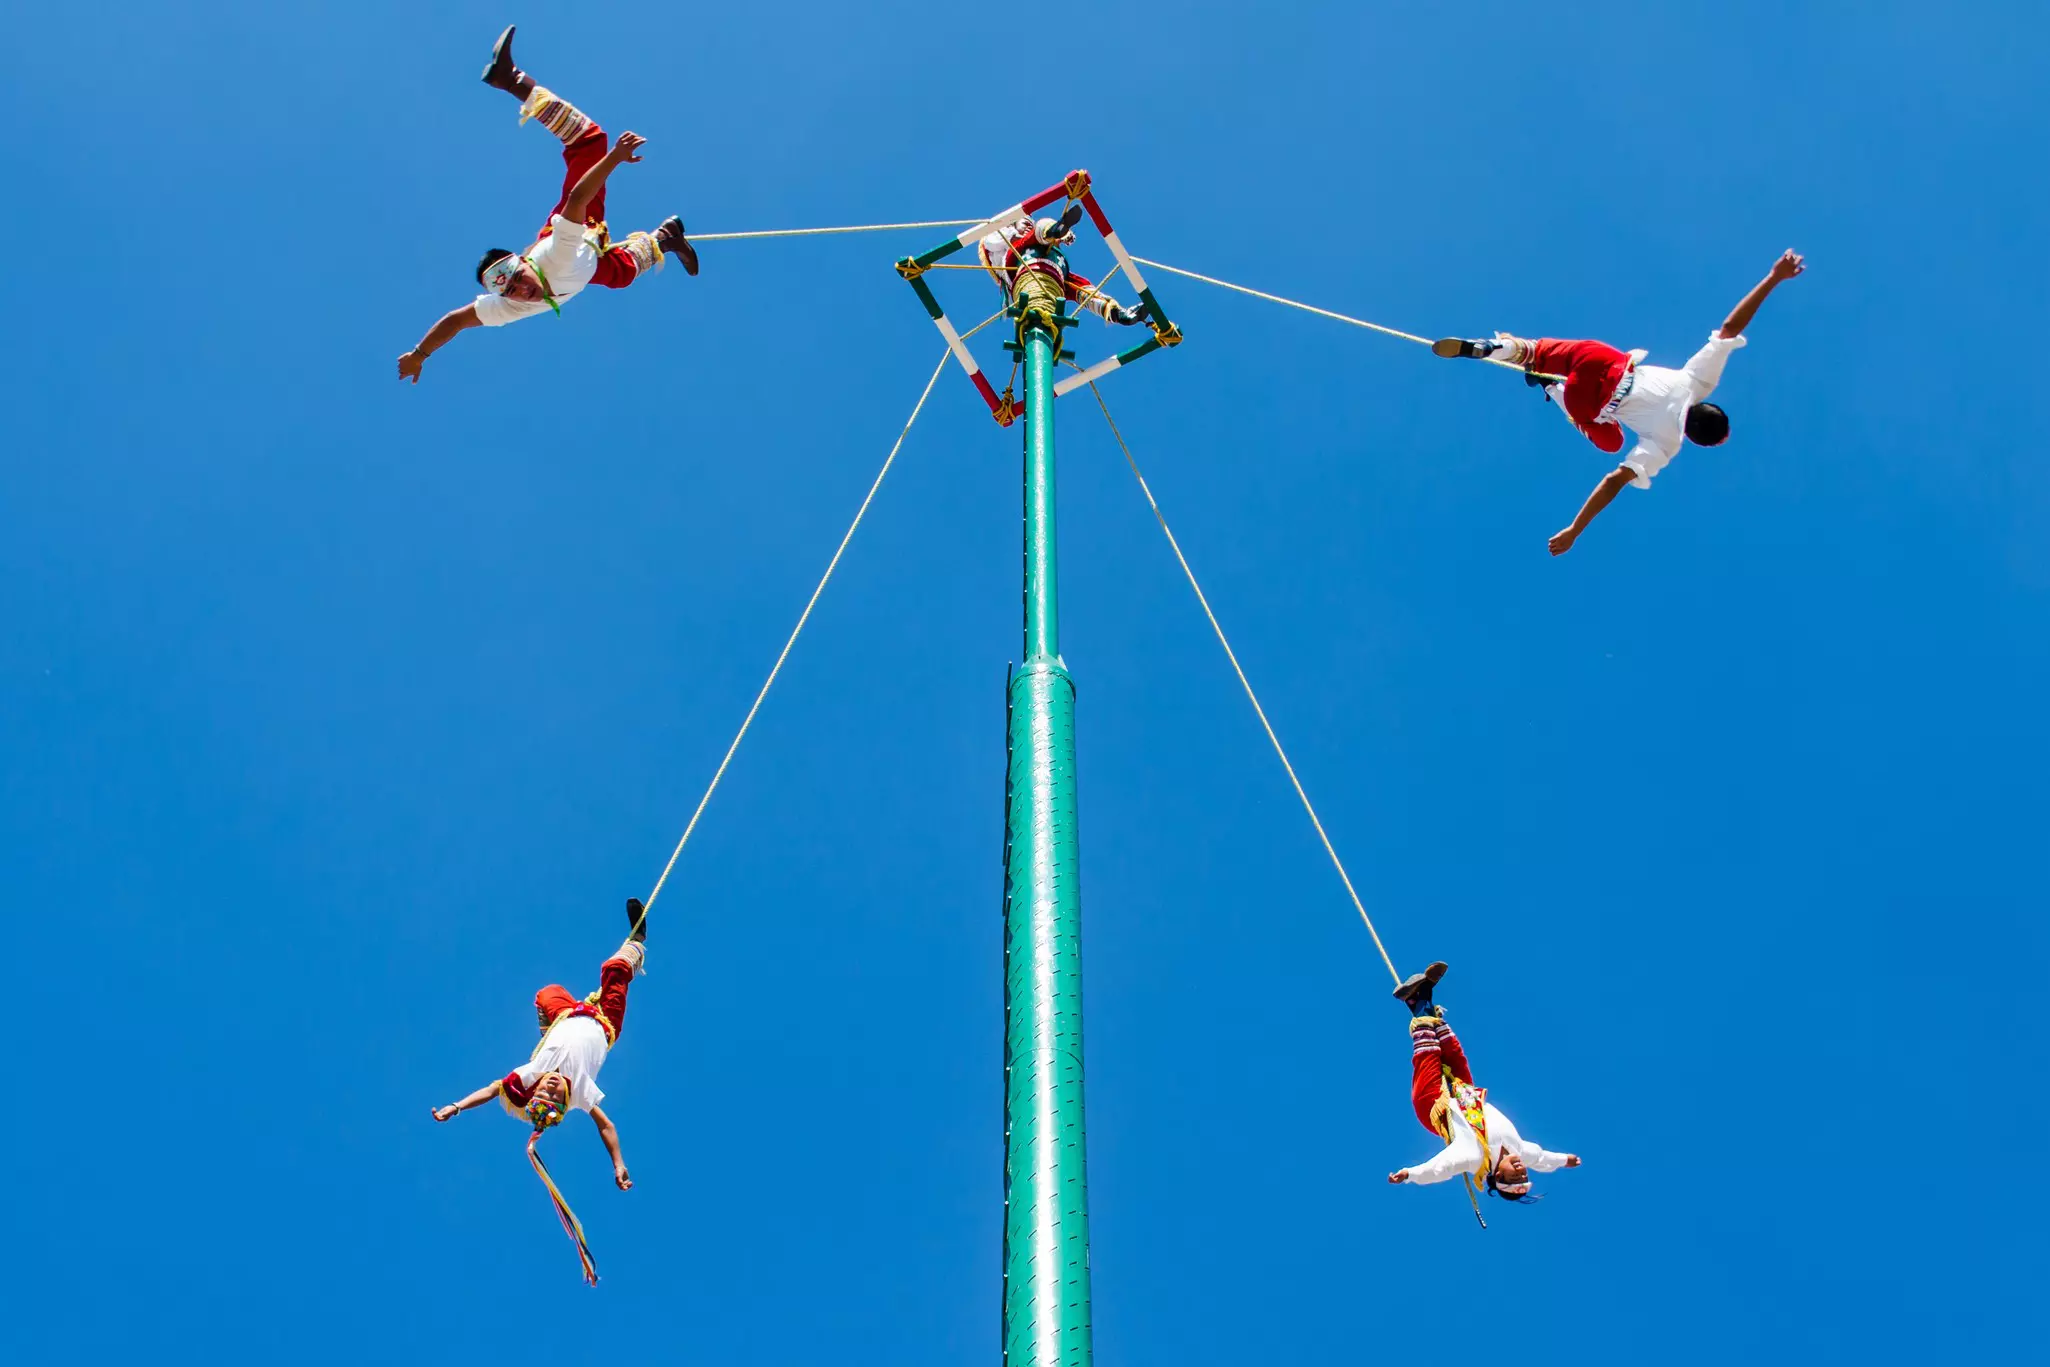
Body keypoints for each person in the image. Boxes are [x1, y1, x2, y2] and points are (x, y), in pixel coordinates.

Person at [1435, 250, 1806, 555]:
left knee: (1541, 352)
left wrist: (1774, 277)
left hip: (1605, 360)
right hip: (1588, 402)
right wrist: (1574, 530)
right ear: (1692, 437)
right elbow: (1615, 480)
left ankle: (1498, 347)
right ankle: (1551, 390)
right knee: (1611, 442)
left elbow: (1729, 329)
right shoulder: (1667, 444)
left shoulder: (1698, 381)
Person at [396, 26, 699, 384]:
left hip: (580, 226)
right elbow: (457, 321)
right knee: (620, 275)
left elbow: (577, 199)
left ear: (525, 263)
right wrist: (420, 355)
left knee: (590, 142)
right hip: (588, 267)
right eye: (509, 290)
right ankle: (667, 237)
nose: (521, 292)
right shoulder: (508, 305)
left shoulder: (555, 254)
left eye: (518, 280)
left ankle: (510, 79)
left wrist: (615, 158)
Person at [431, 897, 650, 1193]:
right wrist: (618, 1164)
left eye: (544, 1089)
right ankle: (637, 941)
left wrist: (456, 1107)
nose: (550, 1085)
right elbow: (606, 1127)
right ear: (565, 1101)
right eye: (555, 1093)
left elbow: (493, 1090)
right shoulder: (581, 1093)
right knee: (614, 971)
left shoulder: (533, 1073)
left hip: (567, 1016)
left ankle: (549, 1033)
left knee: (547, 993)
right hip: (605, 1022)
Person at [1385, 961, 1581, 1202]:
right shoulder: (1521, 1150)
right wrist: (1566, 1160)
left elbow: (1439, 1169)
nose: (1521, 1171)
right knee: (1453, 1052)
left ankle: (1419, 1001)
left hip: (1434, 1107)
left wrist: (1409, 1174)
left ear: (1497, 1176)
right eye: (1523, 1176)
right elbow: (1542, 1158)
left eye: (1513, 1178)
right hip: (1466, 1095)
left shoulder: (1474, 1157)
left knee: (1428, 1053)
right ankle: (1421, 997)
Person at [978, 208, 1150, 331]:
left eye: (1030, 224)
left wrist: (1061, 237)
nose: (1028, 226)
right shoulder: (1003, 237)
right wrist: (1023, 234)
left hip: (1053, 269)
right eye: (1025, 223)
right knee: (1041, 228)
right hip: (1020, 265)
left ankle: (1119, 314)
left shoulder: (1032, 238)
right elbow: (991, 242)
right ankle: (1052, 230)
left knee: (1082, 289)